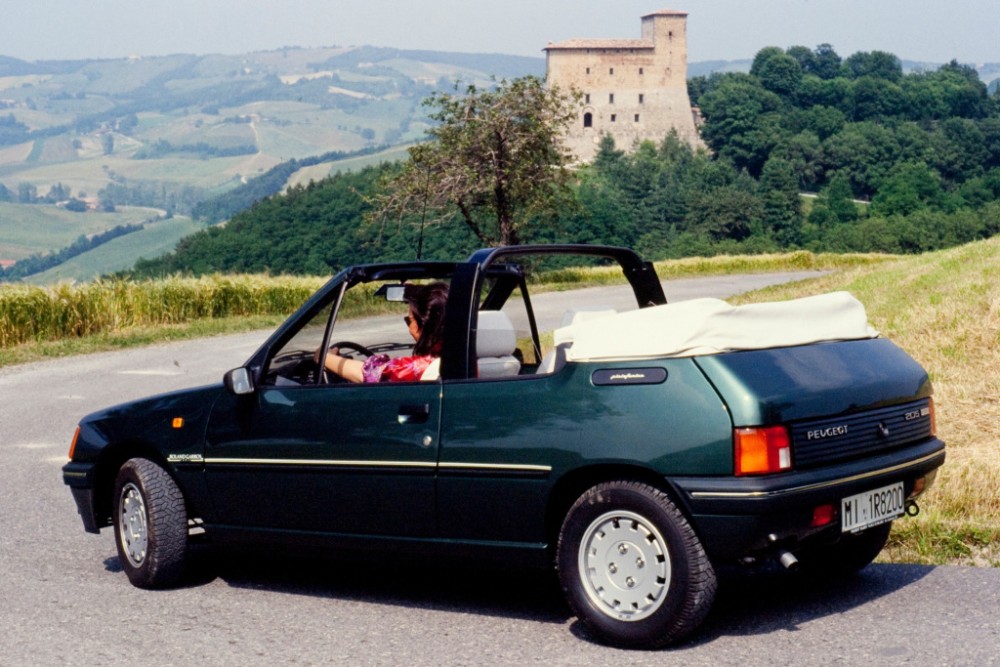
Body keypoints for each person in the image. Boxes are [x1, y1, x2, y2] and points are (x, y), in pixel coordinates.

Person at [320, 282, 448, 383]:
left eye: (409, 321)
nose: (409, 328)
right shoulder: (458, 354)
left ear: (425, 326)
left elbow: (366, 373)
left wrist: (323, 356)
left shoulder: (418, 367)